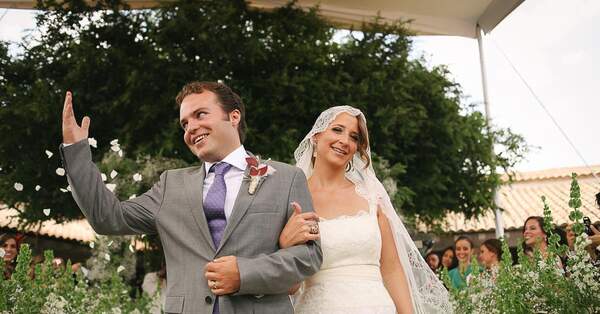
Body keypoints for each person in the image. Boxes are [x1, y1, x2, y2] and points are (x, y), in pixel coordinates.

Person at [59, 82, 322, 314]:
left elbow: (308, 257)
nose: (191, 128)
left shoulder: (286, 179)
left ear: (233, 116)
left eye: (200, 115)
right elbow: (108, 218)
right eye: (185, 123)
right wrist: (75, 150)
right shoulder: (171, 185)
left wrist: (245, 274)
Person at [278, 106, 452, 313]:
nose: (345, 140)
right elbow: (290, 287)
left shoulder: (372, 198)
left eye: (354, 137)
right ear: (316, 136)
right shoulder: (293, 199)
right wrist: (285, 247)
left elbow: (392, 269)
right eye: (337, 130)